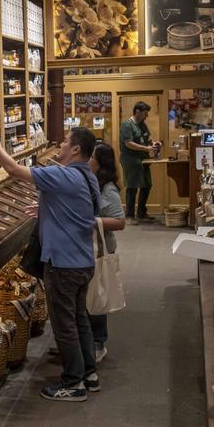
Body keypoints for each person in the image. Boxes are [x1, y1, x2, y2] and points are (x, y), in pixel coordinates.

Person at [0, 124, 100, 402]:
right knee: (80, 319)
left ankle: (73, 383)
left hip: (63, 263)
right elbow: (77, 209)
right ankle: (89, 374)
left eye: (65, 141)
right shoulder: (88, 177)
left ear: (76, 149)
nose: (60, 145)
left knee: (64, 324)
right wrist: (46, 207)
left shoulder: (62, 175)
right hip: (83, 260)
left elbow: (14, 171)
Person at [88, 142, 126, 362]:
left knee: (98, 295)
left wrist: (89, 222)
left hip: (101, 248)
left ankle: (98, 342)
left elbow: (120, 222)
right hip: (91, 246)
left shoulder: (108, 188)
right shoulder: (92, 182)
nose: (88, 160)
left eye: (92, 156)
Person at [120, 101, 158, 222]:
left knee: (147, 185)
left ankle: (141, 213)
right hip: (131, 160)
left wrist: (154, 143)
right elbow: (128, 143)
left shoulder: (142, 124)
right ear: (137, 112)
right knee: (132, 187)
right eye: (145, 113)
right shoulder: (127, 125)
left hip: (143, 159)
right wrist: (146, 148)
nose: (146, 116)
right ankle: (129, 215)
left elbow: (148, 138)